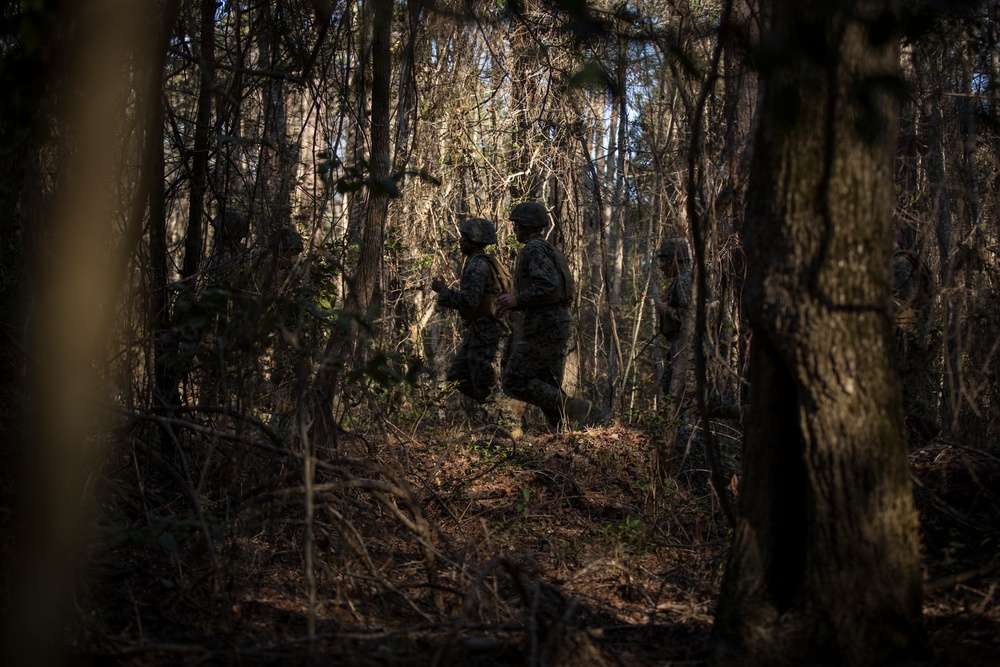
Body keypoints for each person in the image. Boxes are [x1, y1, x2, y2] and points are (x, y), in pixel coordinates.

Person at [495, 201, 591, 430]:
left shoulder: (534, 249)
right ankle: (563, 437)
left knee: (514, 380)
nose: (514, 228)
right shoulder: (548, 249)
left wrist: (518, 299)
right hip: (554, 322)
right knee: (548, 382)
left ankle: (573, 406)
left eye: (517, 224)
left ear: (528, 225)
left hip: (544, 324)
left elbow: (548, 284)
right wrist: (516, 303)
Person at [431, 217, 510, 404]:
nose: (460, 241)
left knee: (486, 387)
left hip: (486, 333)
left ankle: (512, 425)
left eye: (463, 238)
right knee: (458, 377)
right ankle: (506, 415)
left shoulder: (477, 265)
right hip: (479, 330)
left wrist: (442, 290)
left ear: (471, 241)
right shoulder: (481, 262)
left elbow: (469, 301)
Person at [655, 237, 694, 403]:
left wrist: (666, 310)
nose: (662, 267)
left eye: (664, 261)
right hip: (680, 347)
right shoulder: (682, 279)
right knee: (668, 391)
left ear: (674, 261)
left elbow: (692, 317)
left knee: (685, 398)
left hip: (689, 349)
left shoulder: (685, 280)